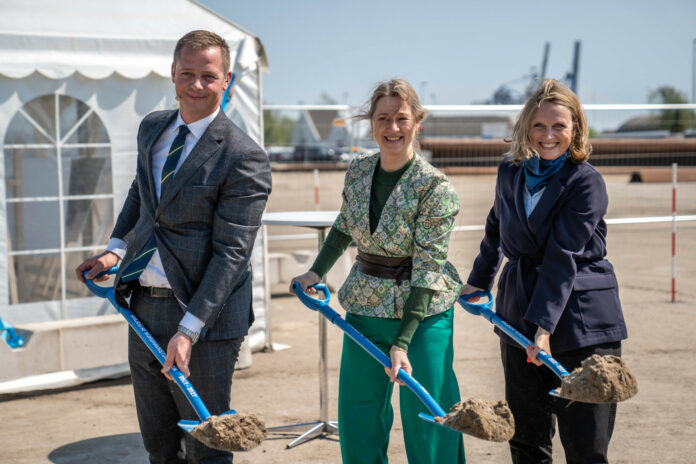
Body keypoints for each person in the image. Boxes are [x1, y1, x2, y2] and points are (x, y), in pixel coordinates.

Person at [76, 30, 272, 464]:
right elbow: (141, 193)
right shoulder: (153, 128)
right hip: (142, 304)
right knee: (160, 444)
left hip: (205, 317)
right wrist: (115, 249)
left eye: (208, 75)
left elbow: (231, 255)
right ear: (172, 74)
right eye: (188, 73)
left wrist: (188, 330)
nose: (196, 84)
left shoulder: (244, 157)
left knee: (207, 445)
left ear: (228, 81)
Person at [291, 79, 466, 464]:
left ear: (417, 122)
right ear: (371, 124)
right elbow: (343, 227)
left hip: (423, 317)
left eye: (402, 118)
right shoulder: (358, 171)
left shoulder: (435, 188)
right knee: (358, 416)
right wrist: (315, 272)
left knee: (428, 419)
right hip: (366, 303)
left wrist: (402, 343)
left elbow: (427, 270)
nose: (392, 128)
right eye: (383, 118)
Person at [462, 79, 627, 463]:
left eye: (559, 126)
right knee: (526, 438)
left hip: (580, 320)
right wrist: (479, 282)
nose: (548, 136)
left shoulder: (586, 182)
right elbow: (495, 229)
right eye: (539, 126)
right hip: (519, 314)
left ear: (576, 129)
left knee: (586, 444)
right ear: (525, 128)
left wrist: (543, 328)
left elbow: (562, 255)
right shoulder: (510, 171)